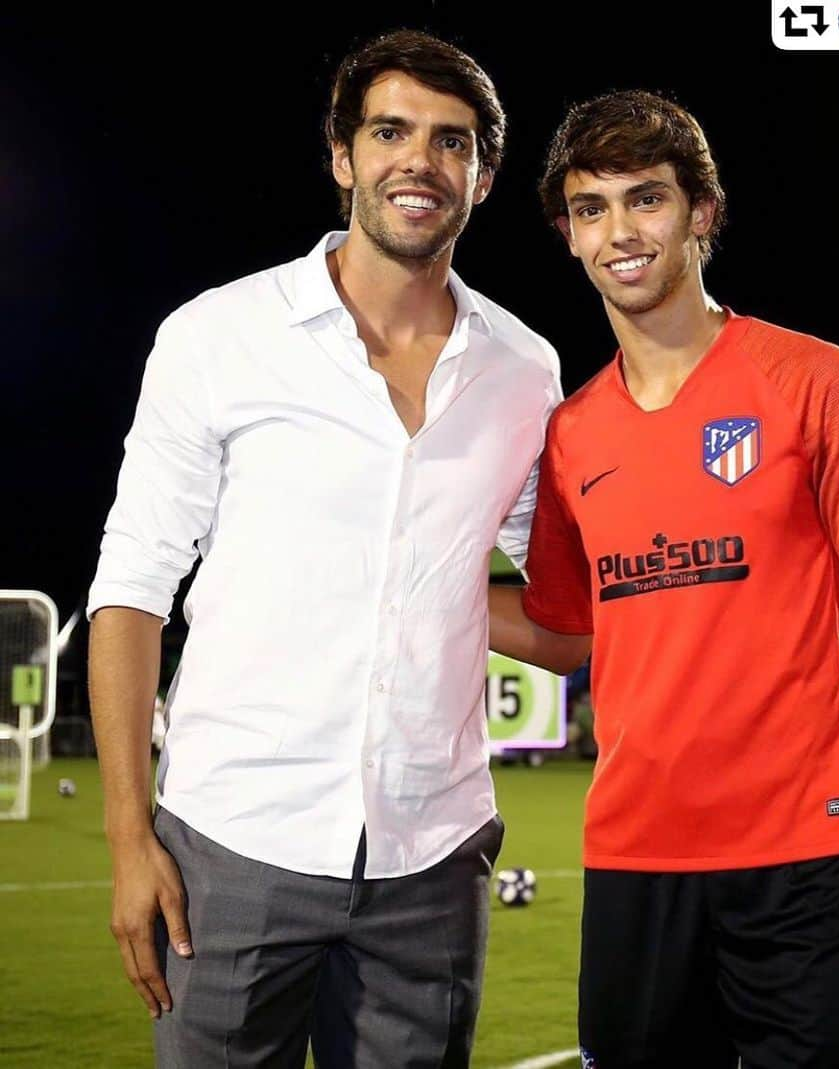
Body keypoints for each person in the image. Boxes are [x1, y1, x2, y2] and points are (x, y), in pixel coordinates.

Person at [87, 30, 561, 1068]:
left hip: (431, 862)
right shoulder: (218, 336)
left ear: (482, 178)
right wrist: (130, 841)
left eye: (452, 141)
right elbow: (129, 592)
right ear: (343, 157)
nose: (418, 161)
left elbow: (567, 607)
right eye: (390, 131)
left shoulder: (525, 369)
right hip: (231, 842)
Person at [489, 90, 839, 1067]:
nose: (619, 231)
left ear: (702, 212)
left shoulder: (812, 379)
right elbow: (571, 633)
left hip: (807, 856)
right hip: (634, 861)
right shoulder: (570, 435)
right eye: (590, 207)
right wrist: (411, 597)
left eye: (644, 199)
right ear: (569, 236)